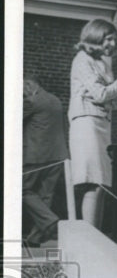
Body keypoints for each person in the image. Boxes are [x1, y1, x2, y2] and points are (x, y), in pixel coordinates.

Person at [68, 18, 117, 228]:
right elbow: (101, 93)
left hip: (102, 125)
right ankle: (90, 235)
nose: (113, 44)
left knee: (101, 185)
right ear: (96, 36)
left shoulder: (103, 64)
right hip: (87, 125)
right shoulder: (82, 59)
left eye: (114, 40)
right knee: (93, 183)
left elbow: (113, 101)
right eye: (109, 39)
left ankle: (97, 235)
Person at [23, 77, 68, 246]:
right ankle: (35, 238)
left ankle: (50, 220)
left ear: (29, 88)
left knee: (21, 189)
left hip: (37, 155)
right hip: (58, 155)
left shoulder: (32, 102)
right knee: (45, 195)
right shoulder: (55, 100)